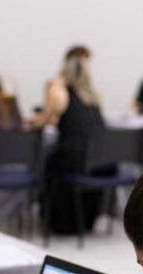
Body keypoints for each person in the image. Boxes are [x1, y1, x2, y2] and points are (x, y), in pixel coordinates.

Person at [31, 45, 108, 234]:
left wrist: (55, 84)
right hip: (101, 163)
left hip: (75, 162)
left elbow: (44, 121)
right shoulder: (94, 98)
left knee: (48, 163)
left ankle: (53, 219)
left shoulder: (61, 93)